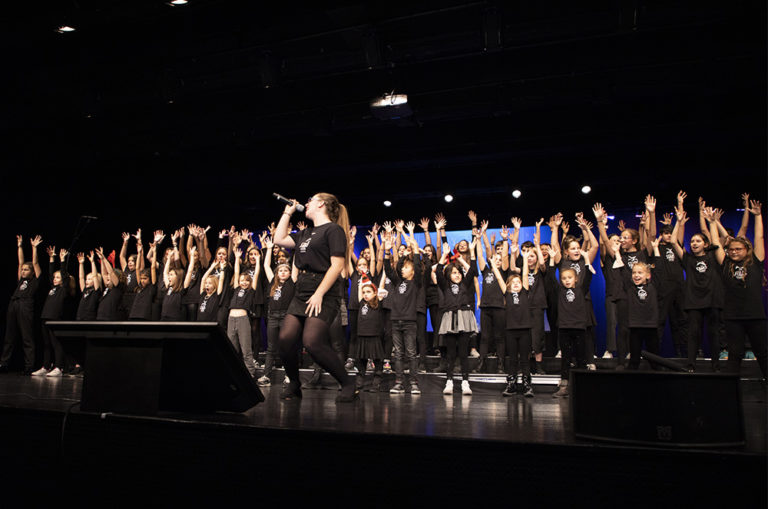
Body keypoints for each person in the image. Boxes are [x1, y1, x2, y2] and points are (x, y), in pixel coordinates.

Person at [272, 192, 357, 402]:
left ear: (321, 204)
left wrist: (319, 293)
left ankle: (347, 383)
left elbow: (337, 265)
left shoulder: (333, 230)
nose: (307, 203)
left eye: (311, 200)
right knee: (285, 339)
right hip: (302, 290)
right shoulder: (306, 233)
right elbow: (278, 239)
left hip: (324, 291)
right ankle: (294, 383)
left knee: (312, 342)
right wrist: (287, 212)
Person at [708, 200, 766, 378]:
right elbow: (716, 242)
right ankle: (730, 387)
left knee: (763, 352)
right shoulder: (726, 264)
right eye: (731, 250)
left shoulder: (755, 262)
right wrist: (712, 223)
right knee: (735, 353)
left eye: (738, 249)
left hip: (755, 315)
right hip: (733, 317)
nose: (733, 252)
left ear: (746, 249)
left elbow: (759, 238)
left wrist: (758, 216)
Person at [434, 240, 478, 395]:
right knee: (451, 354)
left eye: (458, 272)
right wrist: (444, 255)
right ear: (449, 275)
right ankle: (449, 381)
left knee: (463, 353)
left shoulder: (465, 284)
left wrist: (471, 253)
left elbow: (472, 270)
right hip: (450, 319)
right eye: (454, 273)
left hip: (464, 319)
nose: (457, 275)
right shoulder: (445, 285)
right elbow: (438, 271)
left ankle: (465, 382)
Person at [258, 237, 296, 387]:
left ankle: (289, 375)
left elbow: (295, 264)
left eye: (286, 270)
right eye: (280, 270)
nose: (283, 272)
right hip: (273, 317)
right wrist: (268, 249)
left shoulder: (291, 283)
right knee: (271, 347)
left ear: (289, 273)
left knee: (287, 347)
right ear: (277, 273)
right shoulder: (272, 282)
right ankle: (266, 376)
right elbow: (266, 265)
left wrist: (296, 249)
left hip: (286, 317)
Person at [33, 246, 74, 377]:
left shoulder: (63, 289)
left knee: (56, 343)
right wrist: (51, 258)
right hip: (45, 317)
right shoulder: (53, 288)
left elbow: (64, 276)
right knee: (46, 344)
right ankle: (46, 366)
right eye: (55, 277)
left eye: (58, 277)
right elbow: (50, 275)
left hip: (55, 318)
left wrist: (62, 260)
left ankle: (58, 367)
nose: (55, 279)